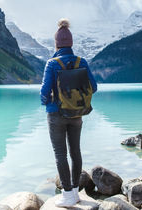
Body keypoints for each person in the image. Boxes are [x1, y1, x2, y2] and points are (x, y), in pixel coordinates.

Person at [40, 18, 97, 207]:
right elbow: (94, 87)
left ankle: (66, 196)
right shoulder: (82, 61)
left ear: (56, 43)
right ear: (70, 43)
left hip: (56, 115)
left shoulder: (52, 63)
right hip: (77, 114)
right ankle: (75, 191)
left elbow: (44, 92)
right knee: (75, 151)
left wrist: (48, 103)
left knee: (60, 154)